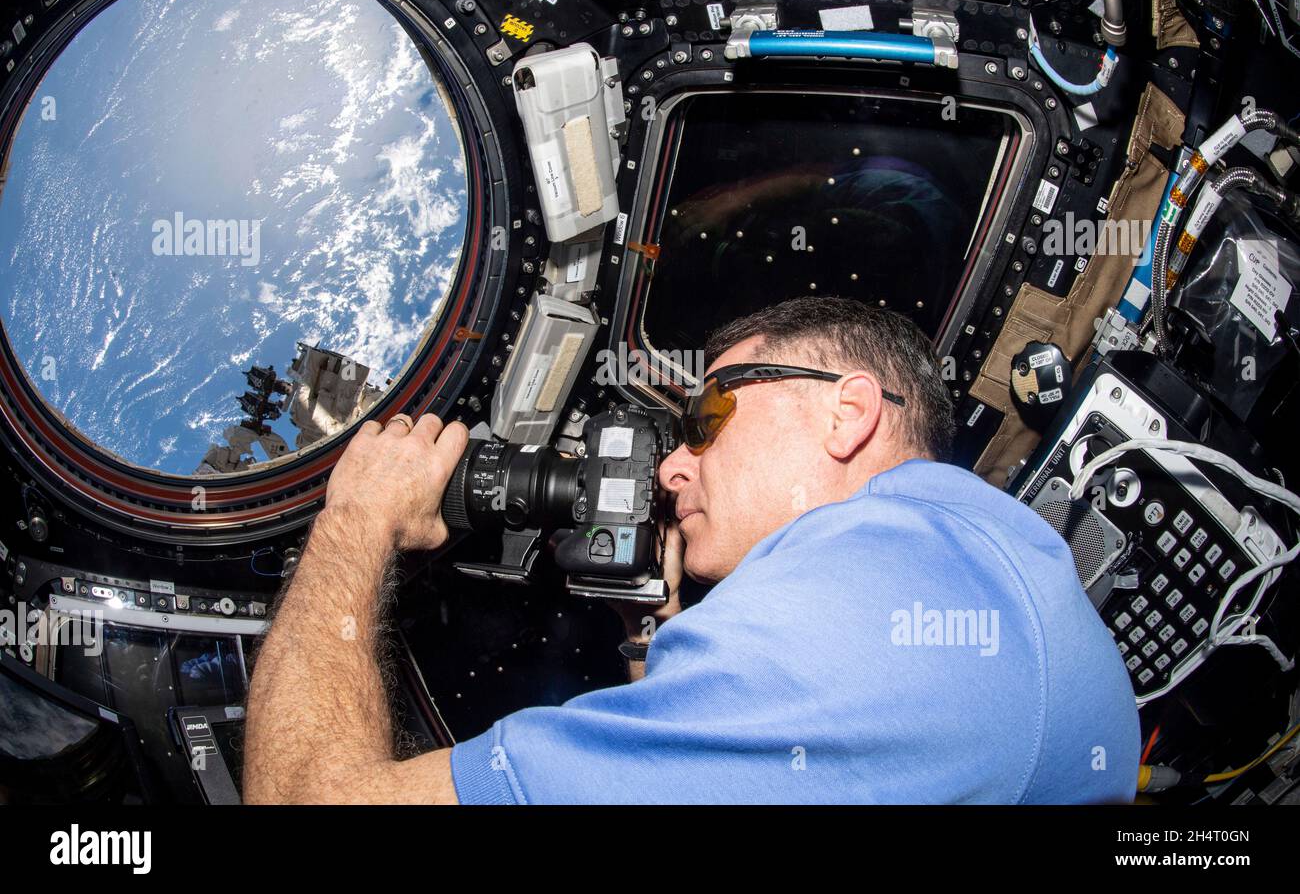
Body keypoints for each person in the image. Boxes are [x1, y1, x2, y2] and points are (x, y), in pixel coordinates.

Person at [243, 296, 1140, 803]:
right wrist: (654, 640)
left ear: (848, 411)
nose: (673, 462)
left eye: (707, 417)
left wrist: (355, 520)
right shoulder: (985, 563)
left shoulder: (828, 631)